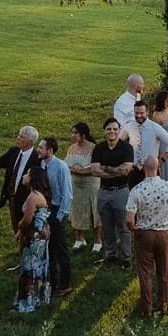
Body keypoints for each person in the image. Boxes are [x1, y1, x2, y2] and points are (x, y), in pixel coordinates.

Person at [126, 155, 168, 318]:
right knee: (164, 271)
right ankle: (163, 305)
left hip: (144, 234)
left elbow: (129, 218)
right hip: (163, 233)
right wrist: (165, 215)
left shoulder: (137, 190)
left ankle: (147, 308)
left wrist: (134, 229)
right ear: (158, 168)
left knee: (146, 272)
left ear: (143, 168)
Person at [0, 124, 39, 233]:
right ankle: (20, 247)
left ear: (30, 142)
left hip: (27, 199)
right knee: (16, 226)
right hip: (12, 197)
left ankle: (27, 248)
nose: (18, 138)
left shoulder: (37, 158)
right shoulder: (13, 152)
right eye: (19, 135)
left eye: (22, 137)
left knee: (28, 227)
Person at [92, 117, 136, 265]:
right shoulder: (99, 148)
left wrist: (106, 167)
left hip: (121, 191)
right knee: (107, 225)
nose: (112, 131)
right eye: (109, 129)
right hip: (103, 191)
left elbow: (125, 170)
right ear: (104, 131)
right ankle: (110, 255)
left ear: (119, 130)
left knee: (123, 226)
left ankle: (126, 258)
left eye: (115, 129)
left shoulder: (126, 148)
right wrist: (115, 170)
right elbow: (95, 171)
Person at [38, 136, 74, 298]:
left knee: (60, 249)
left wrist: (59, 217)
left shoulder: (61, 167)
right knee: (49, 249)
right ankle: (53, 282)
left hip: (57, 210)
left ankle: (65, 284)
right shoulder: (41, 165)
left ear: (50, 150)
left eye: (41, 147)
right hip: (45, 210)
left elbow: (67, 194)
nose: (38, 150)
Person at [13, 166, 51, 313]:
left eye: (27, 174)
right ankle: (40, 298)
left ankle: (27, 302)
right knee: (39, 267)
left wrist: (19, 226)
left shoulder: (32, 197)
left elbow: (27, 220)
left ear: (32, 178)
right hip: (40, 236)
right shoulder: (39, 195)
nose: (24, 175)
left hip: (33, 237)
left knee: (29, 268)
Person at [66, 122, 99, 251]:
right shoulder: (71, 148)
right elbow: (67, 164)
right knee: (77, 210)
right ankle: (79, 238)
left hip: (91, 184)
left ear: (83, 135)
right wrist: (73, 170)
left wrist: (81, 171)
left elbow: (96, 167)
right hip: (76, 184)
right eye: (72, 132)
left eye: (75, 133)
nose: (73, 135)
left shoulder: (93, 148)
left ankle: (97, 240)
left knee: (94, 212)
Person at [131, 98, 168, 175]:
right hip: (134, 170)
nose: (139, 115)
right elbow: (120, 142)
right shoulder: (128, 127)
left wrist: (161, 160)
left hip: (151, 171)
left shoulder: (155, 127)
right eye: (136, 113)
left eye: (141, 113)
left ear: (147, 112)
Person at [151, 90, 168, 181]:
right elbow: (155, 136)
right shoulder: (156, 115)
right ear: (164, 101)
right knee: (165, 171)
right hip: (162, 147)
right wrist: (158, 154)